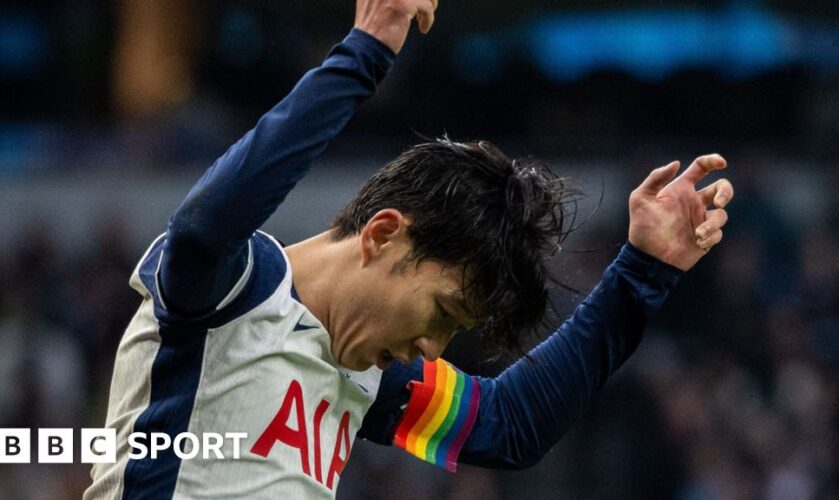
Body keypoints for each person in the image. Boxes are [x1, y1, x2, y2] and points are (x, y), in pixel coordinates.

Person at [85, 0, 734, 498]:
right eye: (444, 313)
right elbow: (205, 224)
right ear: (384, 234)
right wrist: (365, 52)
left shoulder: (365, 372)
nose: (433, 347)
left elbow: (511, 424)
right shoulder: (228, 288)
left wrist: (641, 271)